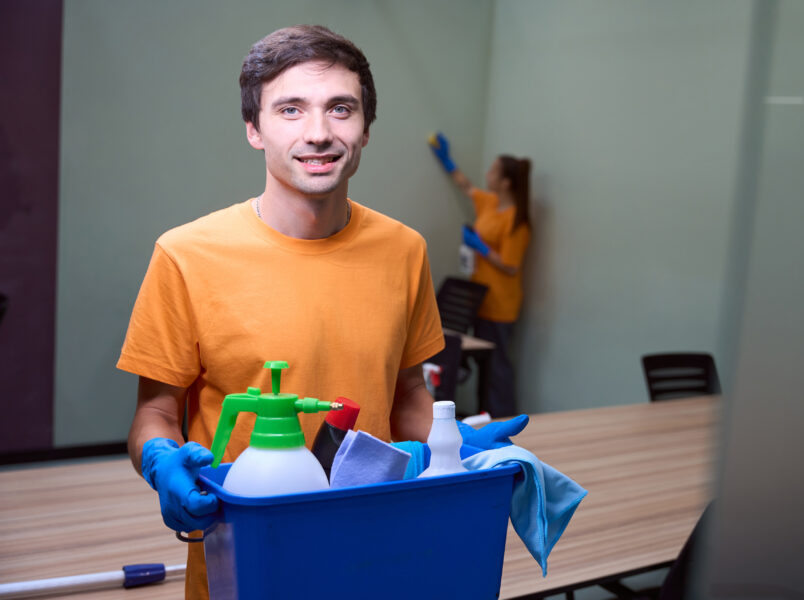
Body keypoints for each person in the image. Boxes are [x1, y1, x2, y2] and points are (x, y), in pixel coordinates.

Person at [117, 25, 448, 599]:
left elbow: (409, 395)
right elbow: (157, 411)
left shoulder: (405, 250)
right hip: (243, 557)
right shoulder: (185, 255)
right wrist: (160, 461)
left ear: (366, 128)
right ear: (254, 128)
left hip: (374, 547)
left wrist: (458, 444)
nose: (318, 133)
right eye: (290, 109)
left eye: (340, 108)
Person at [428, 133, 531, 417]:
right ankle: (485, 418)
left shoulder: (516, 220)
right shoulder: (490, 204)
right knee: (484, 366)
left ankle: (503, 419)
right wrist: (447, 161)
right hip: (479, 299)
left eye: (493, 171)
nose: (487, 174)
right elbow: (466, 186)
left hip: (501, 304)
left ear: (506, 182)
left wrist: (481, 247)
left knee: (496, 368)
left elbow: (511, 265)